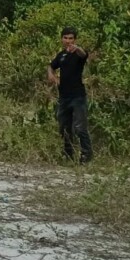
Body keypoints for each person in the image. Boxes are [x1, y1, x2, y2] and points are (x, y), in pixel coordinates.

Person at [49, 27, 93, 163]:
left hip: (78, 97)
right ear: (62, 39)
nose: (68, 41)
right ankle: (68, 155)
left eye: (71, 38)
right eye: (65, 38)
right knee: (64, 128)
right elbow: (51, 65)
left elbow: (83, 54)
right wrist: (52, 76)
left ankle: (86, 155)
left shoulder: (78, 54)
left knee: (80, 127)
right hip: (64, 97)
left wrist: (77, 48)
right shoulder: (61, 55)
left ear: (75, 39)